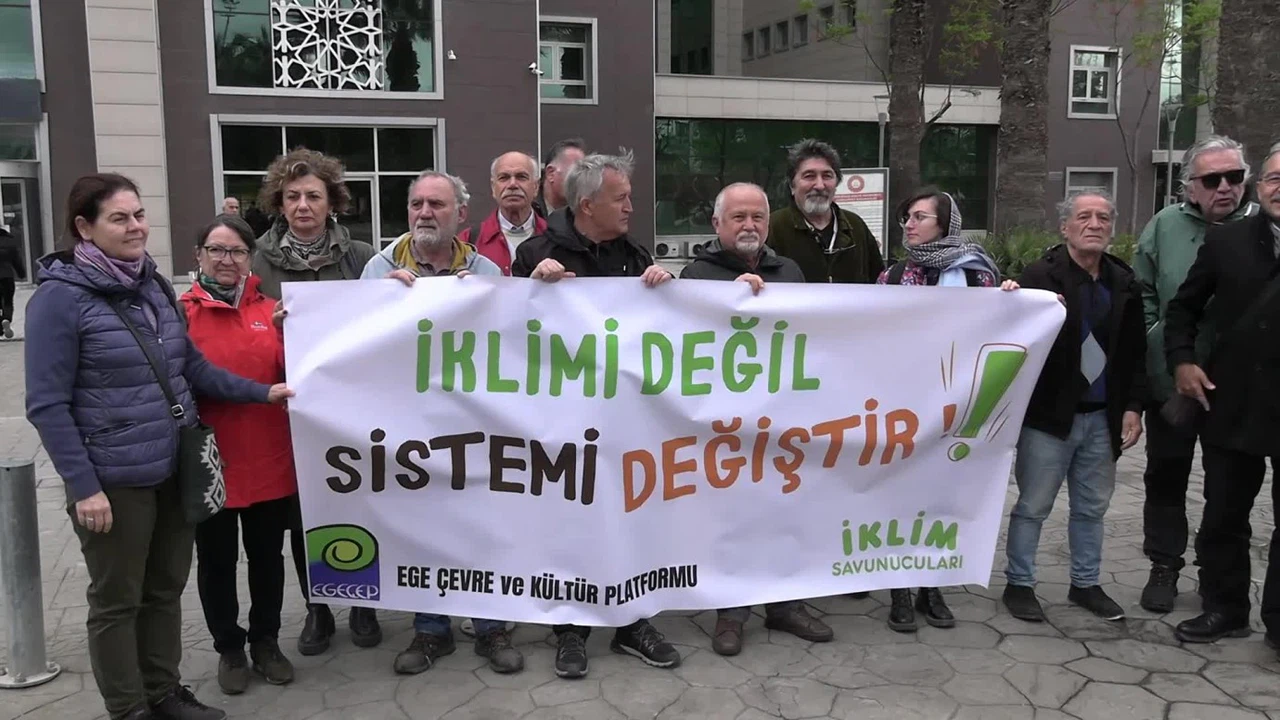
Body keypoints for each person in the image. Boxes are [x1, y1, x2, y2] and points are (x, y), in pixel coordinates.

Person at [25, 173, 293, 720]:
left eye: (139, 215)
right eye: (119, 218)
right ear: (85, 227)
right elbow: (47, 405)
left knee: (165, 589)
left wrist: (262, 392)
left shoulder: (151, 285)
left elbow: (190, 367)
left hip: (174, 466)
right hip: (115, 479)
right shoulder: (59, 299)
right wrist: (83, 486)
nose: (136, 227)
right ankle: (129, 708)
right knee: (117, 600)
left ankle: (163, 692)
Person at [513, 151, 681, 678]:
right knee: (571, 523)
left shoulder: (635, 254)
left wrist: (666, 290)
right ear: (587, 205)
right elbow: (505, 333)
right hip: (561, 424)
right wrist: (528, 286)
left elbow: (659, 332)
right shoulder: (536, 254)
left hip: (626, 424)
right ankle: (571, 628)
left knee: (629, 519)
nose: (631, 207)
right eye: (621, 198)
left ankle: (632, 622)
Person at [358, 170, 521, 675]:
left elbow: (516, 346)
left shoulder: (487, 270)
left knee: (481, 524)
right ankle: (431, 630)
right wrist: (378, 302)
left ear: (460, 214)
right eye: (417, 204)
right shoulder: (380, 268)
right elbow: (354, 340)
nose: (425, 213)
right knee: (425, 528)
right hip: (410, 428)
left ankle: (491, 627)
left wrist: (484, 301)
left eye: (436, 204)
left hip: (475, 426)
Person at [680, 182, 830, 655]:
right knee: (733, 518)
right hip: (723, 424)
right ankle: (731, 611)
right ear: (717, 224)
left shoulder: (790, 271)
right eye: (738, 217)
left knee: (784, 512)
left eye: (757, 217)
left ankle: (785, 605)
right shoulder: (696, 274)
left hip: (782, 420)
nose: (749, 225)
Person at [249, 147, 380, 655]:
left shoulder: (361, 256)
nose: (302, 205)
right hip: (289, 407)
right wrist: (269, 324)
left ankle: (363, 601)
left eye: (313, 196)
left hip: (353, 406)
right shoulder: (257, 259)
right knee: (305, 511)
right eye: (292, 197)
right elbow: (243, 323)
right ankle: (318, 606)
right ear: (279, 203)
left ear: (332, 202)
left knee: (360, 502)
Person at [1000, 191, 1146, 625]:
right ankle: (1019, 583)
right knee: (1033, 505)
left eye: (1103, 217)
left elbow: (1135, 351)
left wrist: (1134, 406)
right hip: (1048, 418)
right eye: (1084, 217)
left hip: (1103, 416)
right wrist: (1010, 298)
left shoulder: (1124, 281)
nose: (1094, 224)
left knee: (1091, 508)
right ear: (1065, 227)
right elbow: (1013, 336)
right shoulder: (1039, 276)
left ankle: (1085, 583)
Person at [1131, 135, 1258, 613]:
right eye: (1212, 179)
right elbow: (1142, 291)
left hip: (1239, 387)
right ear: (1189, 187)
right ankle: (1164, 565)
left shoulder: (1264, 228)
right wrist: (1155, 339)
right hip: (1172, 379)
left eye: (1234, 177)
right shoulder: (1165, 225)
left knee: (1227, 487)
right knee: (1166, 475)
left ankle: (1215, 574)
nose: (1225, 187)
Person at [1164, 142, 1280, 653]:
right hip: (1233, 402)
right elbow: (1183, 310)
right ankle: (1225, 609)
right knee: (1224, 516)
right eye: (1275, 179)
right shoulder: (1226, 241)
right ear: (1262, 186)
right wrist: (1183, 362)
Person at [876, 188, 1004, 631]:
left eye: (920, 217)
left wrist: (1018, 301)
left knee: (941, 497)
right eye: (907, 218)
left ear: (945, 224)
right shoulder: (893, 276)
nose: (910, 225)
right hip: (903, 408)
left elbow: (998, 328)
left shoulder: (978, 276)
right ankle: (898, 589)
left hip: (956, 407)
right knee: (898, 497)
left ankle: (932, 586)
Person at [182, 215, 297, 696]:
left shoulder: (273, 311)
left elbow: (298, 373)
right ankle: (229, 646)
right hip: (212, 462)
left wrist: (288, 335)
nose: (226, 260)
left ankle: (266, 641)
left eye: (237, 251)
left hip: (269, 458)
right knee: (216, 561)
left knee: (268, 557)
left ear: (251, 258)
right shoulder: (180, 315)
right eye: (216, 249)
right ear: (199, 255)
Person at [766, 138, 885, 284]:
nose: (820, 185)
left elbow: (878, 283)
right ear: (792, 186)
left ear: (836, 183)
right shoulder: (773, 228)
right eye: (809, 176)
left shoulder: (856, 226)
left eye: (827, 176)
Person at [457, 151, 548, 275]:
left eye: (521, 177)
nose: (512, 184)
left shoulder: (554, 238)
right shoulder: (467, 241)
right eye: (504, 178)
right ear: (493, 187)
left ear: (536, 187)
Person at [534, 138, 586, 218]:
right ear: (551, 173)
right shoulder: (526, 210)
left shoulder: (586, 212)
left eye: (583, 173)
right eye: (576, 172)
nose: (582, 180)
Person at [0, 223, 25, 338]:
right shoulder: (10, 241)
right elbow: (16, 260)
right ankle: (6, 319)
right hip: (7, 276)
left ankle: (0, 328)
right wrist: (21, 273)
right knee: (8, 301)